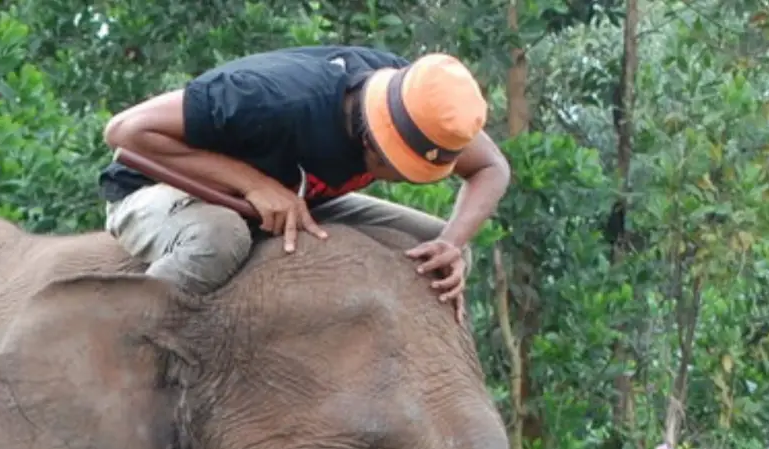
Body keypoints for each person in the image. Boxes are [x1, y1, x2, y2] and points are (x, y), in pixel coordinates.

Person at [98, 45, 511, 323]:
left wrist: (453, 244)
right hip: (165, 184)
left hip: (298, 199)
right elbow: (125, 132)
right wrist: (253, 184)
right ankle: (125, 338)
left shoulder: (425, 107)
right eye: (405, 168)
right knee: (220, 240)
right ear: (375, 140)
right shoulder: (269, 97)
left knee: (433, 254)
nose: (410, 178)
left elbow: (491, 166)